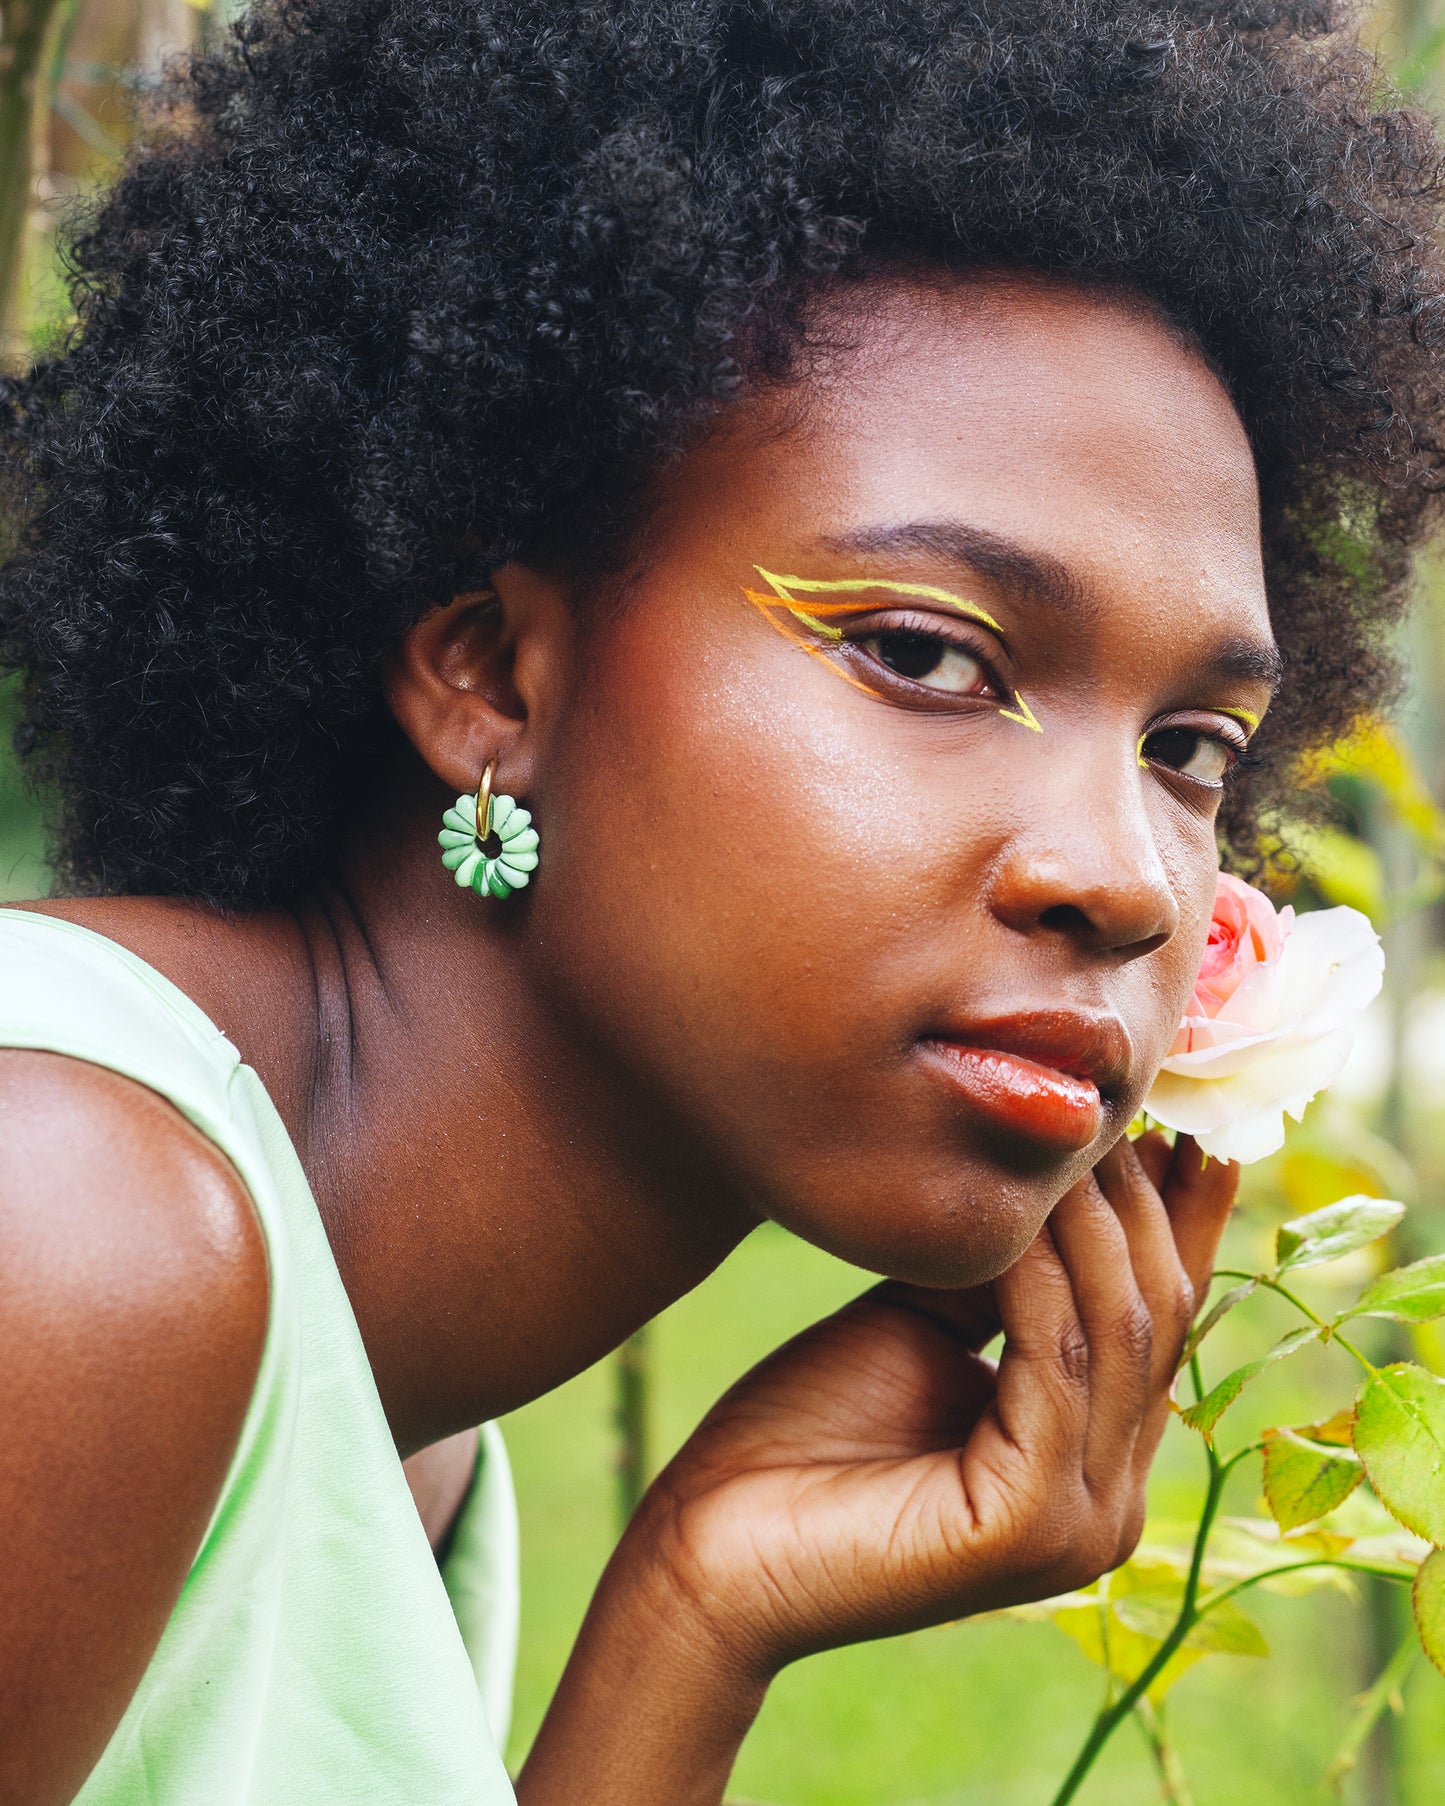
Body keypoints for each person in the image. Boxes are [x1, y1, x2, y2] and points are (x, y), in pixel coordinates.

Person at [1, 2, 1441, 1801]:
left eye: (1190, 746)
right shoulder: (64, 1223)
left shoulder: (406, 1408)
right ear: (495, 678)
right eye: (925, 653)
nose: (1125, 879)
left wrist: (699, 1613)